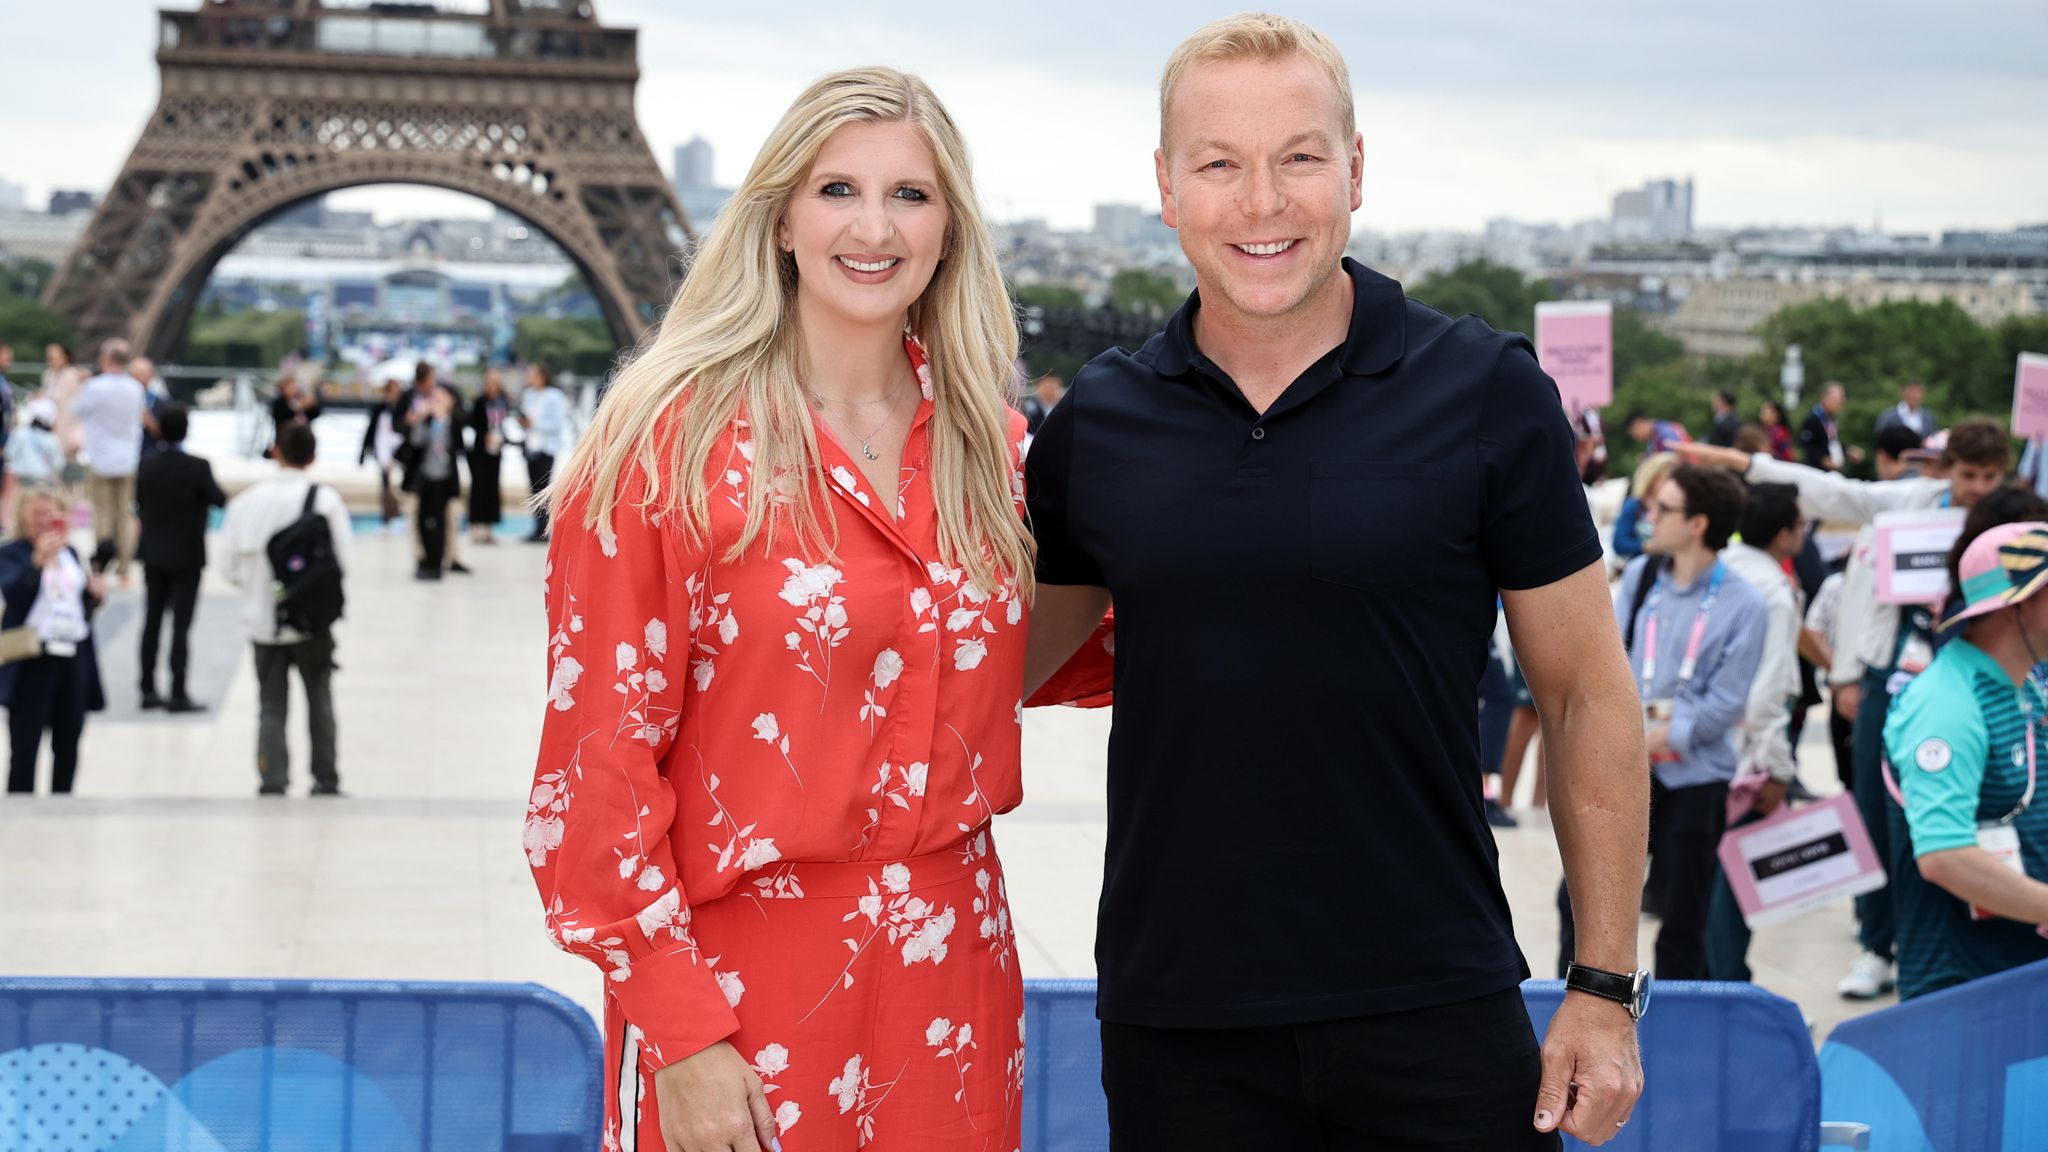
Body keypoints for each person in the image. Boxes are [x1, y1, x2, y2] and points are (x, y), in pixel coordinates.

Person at [1022, 16, 1647, 1148]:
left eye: (1298, 157)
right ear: (1165, 187)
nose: (1260, 202)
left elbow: (1583, 694)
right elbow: (977, 667)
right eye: (1218, 163)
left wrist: (1602, 988)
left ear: (1354, 169)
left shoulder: (1486, 391)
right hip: (1180, 1023)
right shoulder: (1095, 425)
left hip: (1434, 1003)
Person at [527, 67, 1076, 1152]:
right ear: (778, 215)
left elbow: (1086, 650)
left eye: (910, 196)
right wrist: (681, 1033)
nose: (872, 227)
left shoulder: (998, 456)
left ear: (949, 228)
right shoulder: (663, 450)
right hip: (738, 996)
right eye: (837, 190)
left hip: (953, 975)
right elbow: (594, 775)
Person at [1678, 420, 2011, 999]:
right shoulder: (1910, 501)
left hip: (1973, 679)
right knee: (1875, 814)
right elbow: (1832, 493)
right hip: (1893, 677)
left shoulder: (2014, 519)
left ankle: (1945, 945)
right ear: (1944, 469)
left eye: (1989, 476)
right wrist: (1744, 464)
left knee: (1957, 821)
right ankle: (1875, 946)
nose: (1978, 488)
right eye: (1967, 475)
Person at [1558, 465, 1766, 982]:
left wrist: (1653, 737)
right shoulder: (1643, 577)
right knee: (1577, 898)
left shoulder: (1747, 603)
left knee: (1683, 919)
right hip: (1632, 769)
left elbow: (1725, 703)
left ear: (1698, 524)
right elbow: (1610, 661)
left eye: (1663, 508)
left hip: (1696, 779)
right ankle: (1574, 1003)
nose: (1649, 516)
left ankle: (1675, 1030)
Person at [1884, 521, 2048, 998]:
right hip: (1964, 987)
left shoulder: (2024, 682)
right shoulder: (1946, 703)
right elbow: (1945, 857)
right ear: (2021, 602)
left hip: (2017, 966)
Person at [1704, 482, 1809, 982]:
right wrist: (1779, 766)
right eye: (1802, 524)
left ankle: (1703, 985)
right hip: (1745, 757)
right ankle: (1728, 989)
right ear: (1785, 534)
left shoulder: (1719, 567)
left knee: (1699, 881)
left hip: (1694, 749)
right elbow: (1766, 691)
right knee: (1736, 884)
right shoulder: (1773, 591)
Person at [221, 423, 350, 796]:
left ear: (275, 451)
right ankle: (326, 778)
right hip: (312, 622)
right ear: (312, 456)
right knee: (320, 702)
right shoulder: (325, 501)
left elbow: (227, 565)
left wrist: (259, 590)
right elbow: (343, 562)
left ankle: (272, 778)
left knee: (270, 706)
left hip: (263, 622)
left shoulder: (246, 502)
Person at [0, 487, 107, 794]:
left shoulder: (70, 553)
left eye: (52, 515)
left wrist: (94, 595)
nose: (45, 521)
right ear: (23, 516)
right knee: (25, 742)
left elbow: (74, 605)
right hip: (32, 655)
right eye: (37, 514)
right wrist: (37, 563)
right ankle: (20, 801)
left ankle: (63, 799)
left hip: (71, 653)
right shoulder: (13, 553)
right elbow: (15, 596)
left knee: (69, 735)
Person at [134, 403, 226, 713]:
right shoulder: (198, 467)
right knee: (181, 628)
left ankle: (147, 689)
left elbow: (140, 501)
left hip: (154, 554)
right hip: (187, 556)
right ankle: (177, 693)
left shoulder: (146, 464)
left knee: (152, 622)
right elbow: (219, 499)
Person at [68, 338, 149, 583]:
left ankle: (101, 563)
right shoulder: (135, 388)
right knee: (124, 513)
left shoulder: (96, 387)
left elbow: (75, 411)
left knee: (102, 513)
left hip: (101, 457)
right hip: (128, 458)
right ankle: (125, 567)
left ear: (106, 358)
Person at [395, 363, 467, 580]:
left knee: (442, 521)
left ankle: (440, 560)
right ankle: (425, 560)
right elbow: (414, 440)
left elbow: (457, 444)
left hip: (443, 479)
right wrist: (419, 418)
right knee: (422, 520)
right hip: (423, 477)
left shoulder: (451, 422)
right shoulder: (419, 411)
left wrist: (446, 415)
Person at [516, 362, 569, 542]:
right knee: (533, 488)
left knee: (543, 488)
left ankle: (544, 528)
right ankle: (536, 527)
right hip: (531, 446)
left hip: (546, 447)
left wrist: (534, 425)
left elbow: (557, 423)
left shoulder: (554, 396)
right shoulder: (529, 395)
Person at [465, 367, 512, 545]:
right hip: (480, 450)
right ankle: (475, 526)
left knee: (492, 487)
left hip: (496, 449)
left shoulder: (501, 402)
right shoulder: (479, 402)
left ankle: (488, 528)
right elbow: (472, 423)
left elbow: (503, 422)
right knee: (478, 486)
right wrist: (484, 435)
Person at [1611, 452, 1677, 564]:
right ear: (1652, 479)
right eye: (1666, 479)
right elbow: (1619, 543)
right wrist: (1647, 547)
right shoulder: (1634, 506)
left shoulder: (1676, 506)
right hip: (1640, 566)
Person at [357, 379, 407, 529]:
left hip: (401, 449)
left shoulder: (403, 408)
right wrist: (363, 453)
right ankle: (388, 515)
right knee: (385, 483)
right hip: (383, 449)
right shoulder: (380, 409)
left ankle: (402, 511)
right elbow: (370, 431)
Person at [1798, 382, 1865, 473]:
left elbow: (1832, 443)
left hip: (1831, 470)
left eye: (1841, 401)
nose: (1839, 404)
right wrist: (1823, 459)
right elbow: (1807, 446)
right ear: (1823, 399)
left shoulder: (1831, 419)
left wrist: (1848, 451)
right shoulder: (1812, 419)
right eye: (1836, 400)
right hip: (1815, 470)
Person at [268, 375, 323, 446]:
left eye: (293, 386)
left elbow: (315, 414)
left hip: (303, 439)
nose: (292, 388)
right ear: (282, 388)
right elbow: (280, 418)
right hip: (285, 439)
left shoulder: (301, 399)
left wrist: (312, 405)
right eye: (289, 386)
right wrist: (297, 409)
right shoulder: (278, 403)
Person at [1626, 409, 1691, 456]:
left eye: (1634, 434)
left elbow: (1674, 456)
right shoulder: (1653, 436)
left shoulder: (1664, 432)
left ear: (1639, 424)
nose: (1637, 438)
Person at [1018, 372, 1063, 437]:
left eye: (1053, 387)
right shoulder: (1028, 408)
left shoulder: (1063, 409)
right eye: (1048, 387)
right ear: (1038, 386)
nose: (1050, 391)